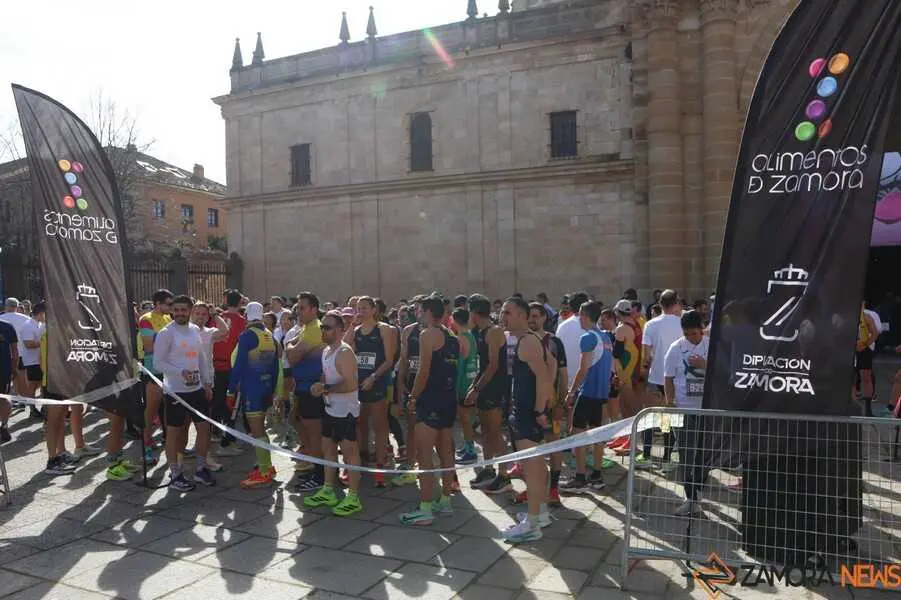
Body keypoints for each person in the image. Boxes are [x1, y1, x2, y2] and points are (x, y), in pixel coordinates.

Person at [400, 295, 459, 526]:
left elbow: (423, 371)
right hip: (448, 400)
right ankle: (445, 500)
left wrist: (413, 397)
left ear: (427, 312)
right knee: (445, 453)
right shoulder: (452, 335)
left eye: (419, 311)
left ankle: (425, 509)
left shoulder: (428, 334)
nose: (416, 314)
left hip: (430, 400)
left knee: (424, 456)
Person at [499, 297, 551, 542]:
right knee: (536, 466)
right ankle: (540, 513)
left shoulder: (528, 341)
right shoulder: (528, 339)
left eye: (507, 312)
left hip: (527, 413)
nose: (502, 317)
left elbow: (544, 377)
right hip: (524, 411)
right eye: (502, 312)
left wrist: (539, 410)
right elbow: (551, 364)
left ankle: (532, 524)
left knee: (532, 469)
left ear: (522, 315)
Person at [303, 310, 364, 515]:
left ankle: (353, 497)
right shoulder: (326, 350)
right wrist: (319, 385)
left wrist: (326, 388)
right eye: (322, 327)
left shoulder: (344, 352)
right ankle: (328, 490)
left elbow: (351, 384)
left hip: (346, 412)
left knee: (350, 454)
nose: (323, 331)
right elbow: (326, 375)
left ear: (340, 330)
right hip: (330, 409)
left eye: (327, 328)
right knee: (328, 449)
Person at [153, 295, 216, 491]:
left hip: (196, 389)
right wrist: (180, 372)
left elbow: (201, 358)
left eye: (184, 310)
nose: (180, 313)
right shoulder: (166, 333)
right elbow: (158, 363)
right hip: (175, 391)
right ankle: (175, 474)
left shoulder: (195, 330)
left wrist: (207, 383)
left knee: (204, 429)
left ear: (190, 311)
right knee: (174, 433)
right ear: (173, 311)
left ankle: (201, 469)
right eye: (176, 310)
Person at [515, 302, 567, 506]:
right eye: (530, 316)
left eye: (536, 316)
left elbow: (562, 372)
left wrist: (560, 401)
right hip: (527, 404)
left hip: (550, 404)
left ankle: (553, 489)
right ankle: (533, 489)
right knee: (530, 450)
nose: (532, 320)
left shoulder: (554, 341)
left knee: (553, 444)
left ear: (544, 317)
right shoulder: (523, 339)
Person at [561, 300, 613, 492]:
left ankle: (580, 477)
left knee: (578, 435)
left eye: (580, 316)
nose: (579, 319)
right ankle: (597, 476)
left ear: (585, 316)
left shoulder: (587, 337)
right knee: (598, 435)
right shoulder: (606, 337)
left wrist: (571, 391)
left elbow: (583, 369)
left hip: (588, 393)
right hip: (602, 394)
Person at [227, 302, 280, 489]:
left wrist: (230, 390)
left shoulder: (247, 335)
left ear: (247, 316)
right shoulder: (270, 335)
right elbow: (276, 366)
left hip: (252, 390)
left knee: (257, 431)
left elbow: (239, 365)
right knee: (261, 430)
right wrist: (273, 389)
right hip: (266, 388)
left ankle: (264, 471)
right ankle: (268, 467)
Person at [346, 296, 397, 488]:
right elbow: (343, 347)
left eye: (365, 308)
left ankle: (380, 465)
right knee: (360, 425)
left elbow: (389, 360)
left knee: (380, 425)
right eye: (358, 308)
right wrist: (352, 325)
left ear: (374, 309)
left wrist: (373, 377)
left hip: (377, 382)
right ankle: (362, 459)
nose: (361, 311)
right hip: (359, 384)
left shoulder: (384, 329)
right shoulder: (356, 330)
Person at [663, 310, 710, 517]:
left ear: (702, 329)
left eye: (695, 333)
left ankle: (698, 493)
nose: (692, 338)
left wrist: (704, 365)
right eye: (687, 334)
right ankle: (690, 498)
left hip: (707, 410)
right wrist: (670, 402)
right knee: (686, 454)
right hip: (684, 408)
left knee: (706, 454)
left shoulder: (711, 345)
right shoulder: (676, 348)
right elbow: (668, 378)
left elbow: (723, 371)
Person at [465, 293, 512, 494]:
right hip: (484, 386)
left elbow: (493, 366)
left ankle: (504, 475)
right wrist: (473, 386)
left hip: (495, 388)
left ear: (474, 312)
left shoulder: (494, 332)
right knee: (484, 431)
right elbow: (481, 364)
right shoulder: (479, 332)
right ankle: (489, 468)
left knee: (494, 432)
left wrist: (477, 389)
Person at [287, 291, 326, 491]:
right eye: (298, 307)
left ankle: (320, 476)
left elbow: (293, 356)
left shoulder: (314, 329)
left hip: (312, 389)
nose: (298, 311)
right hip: (303, 387)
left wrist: (289, 345)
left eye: (302, 308)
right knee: (300, 424)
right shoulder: (306, 328)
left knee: (314, 434)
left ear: (314, 309)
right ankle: (317, 468)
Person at [638, 289, 682, 467]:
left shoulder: (651, 324)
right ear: (676, 304)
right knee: (667, 419)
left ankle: (646, 456)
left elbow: (646, 356)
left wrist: (645, 370)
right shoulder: (682, 323)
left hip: (656, 377)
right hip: (674, 378)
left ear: (660, 304)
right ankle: (666, 459)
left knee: (650, 417)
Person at [138, 289, 173, 465]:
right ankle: (146, 444)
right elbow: (148, 346)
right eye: (168, 304)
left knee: (166, 408)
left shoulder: (168, 318)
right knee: (151, 409)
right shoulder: (146, 319)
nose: (171, 307)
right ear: (158, 303)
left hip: (167, 369)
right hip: (152, 369)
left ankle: (169, 443)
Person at [213, 289, 247, 455]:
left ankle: (215, 433)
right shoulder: (243, 322)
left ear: (226, 301)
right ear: (241, 302)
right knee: (231, 405)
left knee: (217, 402)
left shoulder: (216, 319)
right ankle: (227, 442)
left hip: (214, 366)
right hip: (232, 368)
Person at [611, 298, 642, 455]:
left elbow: (616, 354)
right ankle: (625, 437)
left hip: (626, 373)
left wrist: (616, 374)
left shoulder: (622, 329)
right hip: (633, 371)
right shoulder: (637, 324)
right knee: (624, 407)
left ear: (617, 312)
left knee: (630, 409)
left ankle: (634, 443)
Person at [453, 307, 480, 465]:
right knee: (467, 418)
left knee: (465, 419)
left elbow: (460, 365)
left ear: (454, 321)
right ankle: (468, 445)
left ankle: (470, 450)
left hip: (463, 383)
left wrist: (455, 387)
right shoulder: (471, 336)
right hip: (471, 380)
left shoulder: (460, 338)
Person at [0, 316, 18, 444]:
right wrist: (13, 369)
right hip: (4, 371)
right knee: (4, 399)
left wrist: (13, 369)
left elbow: (15, 351)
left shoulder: (8, 326)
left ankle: (4, 427)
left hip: (4, 370)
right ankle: (4, 426)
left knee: (4, 399)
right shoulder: (7, 326)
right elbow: (15, 352)